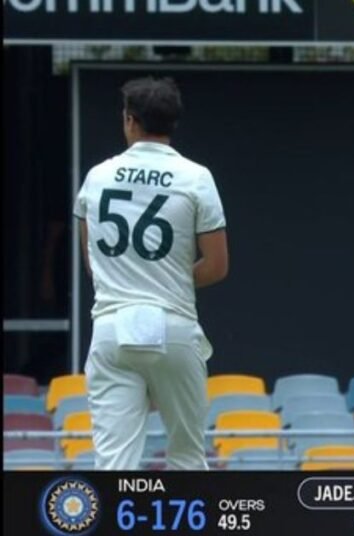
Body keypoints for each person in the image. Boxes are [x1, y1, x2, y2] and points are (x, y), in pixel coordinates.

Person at [74, 76, 228, 470]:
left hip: (110, 329)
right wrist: (167, 276)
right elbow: (216, 266)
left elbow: (92, 262)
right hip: (174, 327)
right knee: (188, 455)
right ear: (173, 123)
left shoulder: (97, 176)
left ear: (129, 120)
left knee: (113, 463)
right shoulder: (197, 177)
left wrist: (134, 276)